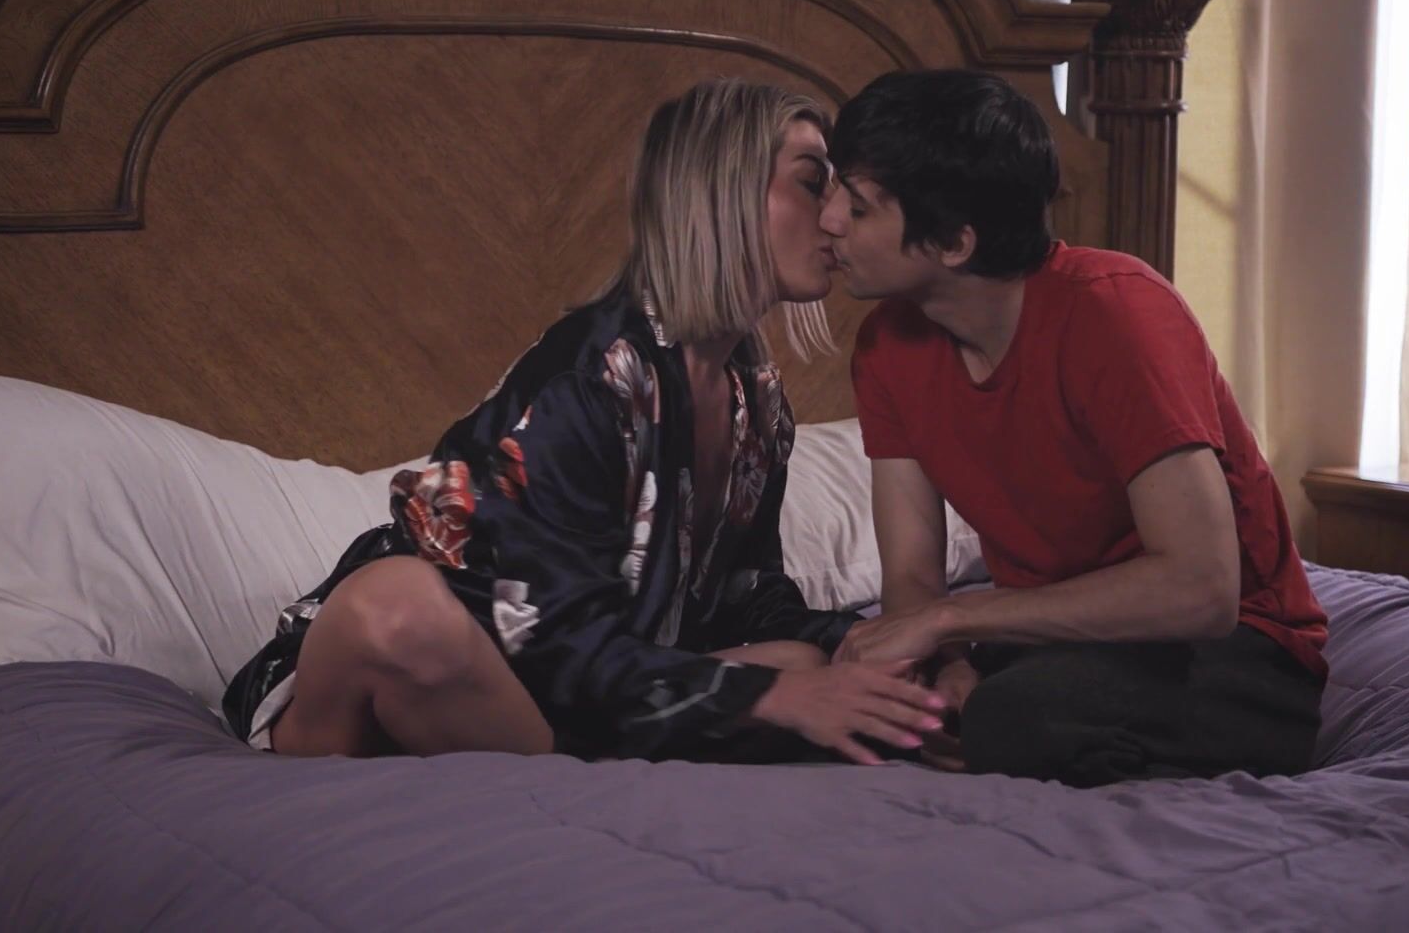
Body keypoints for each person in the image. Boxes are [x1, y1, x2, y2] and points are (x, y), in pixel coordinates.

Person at [223, 78, 945, 766]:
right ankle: (579, 780)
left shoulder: (753, 398)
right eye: (813, 182)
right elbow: (547, 632)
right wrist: (768, 700)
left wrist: (872, 646)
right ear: (720, 190)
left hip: (558, 692)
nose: (835, 216)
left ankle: (577, 770)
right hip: (434, 662)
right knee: (395, 607)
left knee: (801, 663)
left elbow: (747, 602)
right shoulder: (589, 378)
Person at [819, 69, 1330, 787]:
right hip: (1049, 639)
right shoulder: (886, 346)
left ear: (954, 243)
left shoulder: (1116, 313)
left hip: (1231, 646)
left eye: (858, 207)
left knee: (1015, 719)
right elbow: (910, 575)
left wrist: (949, 623)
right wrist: (946, 664)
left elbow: (1201, 588)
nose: (829, 219)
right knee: (874, 703)